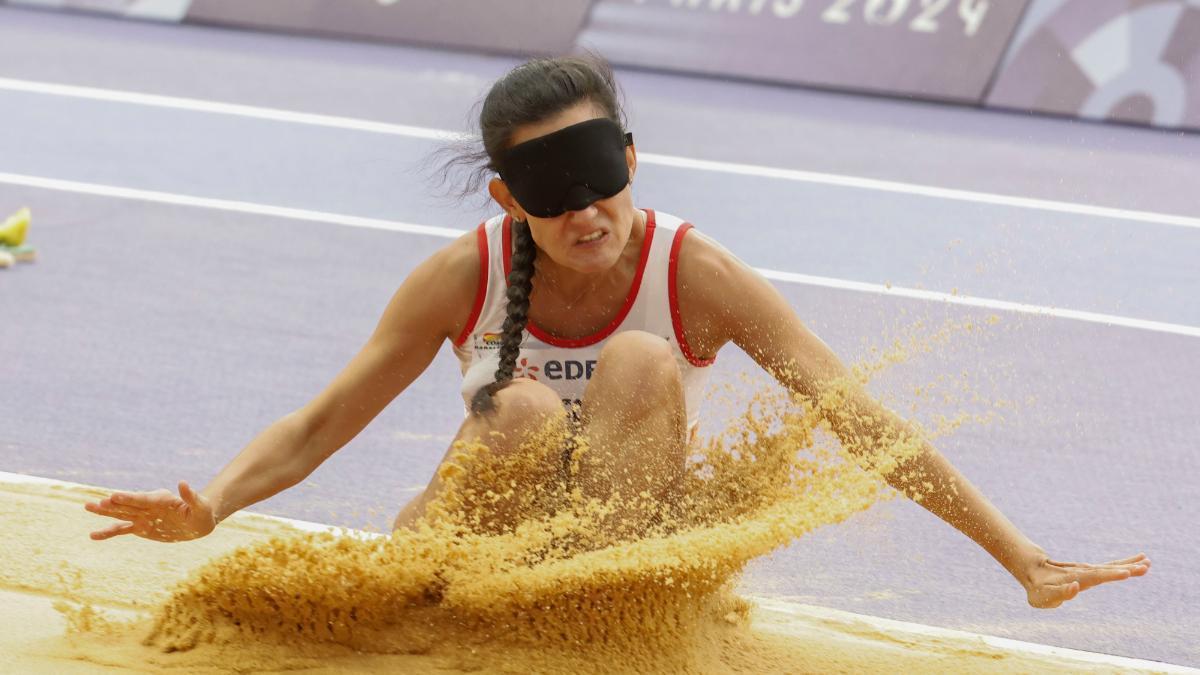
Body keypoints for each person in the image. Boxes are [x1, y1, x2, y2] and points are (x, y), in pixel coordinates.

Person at [84, 55, 1148, 609]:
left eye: (596, 178)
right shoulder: (466, 274)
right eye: (550, 192)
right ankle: (450, 606)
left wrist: (1021, 557)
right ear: (508, 199)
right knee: (522, 407)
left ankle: (575, 624)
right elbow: (322, 425)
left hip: (613, 555)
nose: (583, 212)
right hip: (473, 531)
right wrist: (213, 503)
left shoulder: (700, 274)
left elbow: (856, 417)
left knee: (642, 360)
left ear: (630, 161)